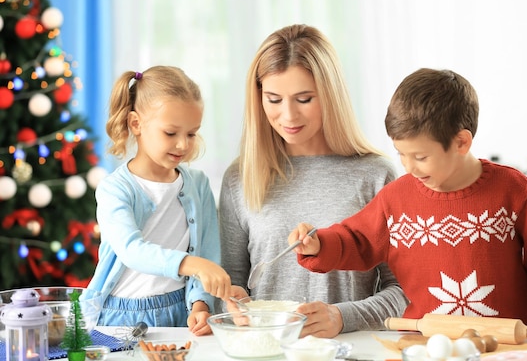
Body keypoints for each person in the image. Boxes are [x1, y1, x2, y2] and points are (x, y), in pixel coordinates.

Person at [289, 68, 527, 341]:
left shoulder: (512, 190)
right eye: (401, 154)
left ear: (461, 142)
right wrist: (319, 244)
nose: (409, 167)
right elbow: (357, 239)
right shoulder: (396, 199)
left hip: (507, 344)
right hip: (426, 346)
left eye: (420, 157)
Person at [219, 24, 408, 338]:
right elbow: (229, 283)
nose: (289, 116)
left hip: (351, 353)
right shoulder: (240, 177)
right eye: (274, 99)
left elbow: (404, 290)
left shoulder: (376, 174)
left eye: (304, 99)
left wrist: (341, 317)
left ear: (330, 95)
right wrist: (230, 305)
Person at [88, 66, 232, 335]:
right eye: (170, 133)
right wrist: (194, 265)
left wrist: (201, 304)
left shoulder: (198, 184)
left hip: (181, 311)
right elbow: (132, 250)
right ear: (136, 124)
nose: (182, 145)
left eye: (191, 134)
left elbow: (206, 251)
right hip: (121, 315)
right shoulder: (114, 189)